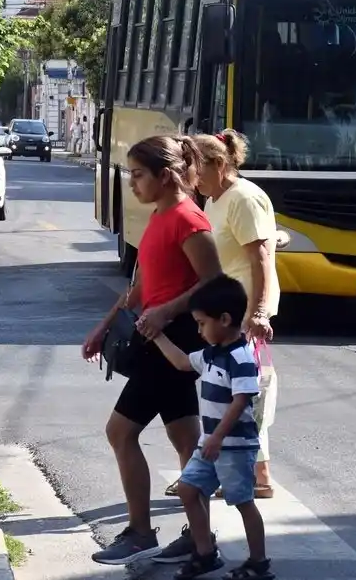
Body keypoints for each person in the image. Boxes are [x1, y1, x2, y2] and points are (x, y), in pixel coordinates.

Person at [82, 135, 222, 566]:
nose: (131, 183)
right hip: (155, 334)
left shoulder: (188, 219)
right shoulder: (160, 215)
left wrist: (166, 312)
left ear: (165, 176)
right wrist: (105, 326)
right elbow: (142, 286)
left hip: (174, 341)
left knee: (120, 432)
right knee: (186, 438)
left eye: (138, 174)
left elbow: (214, 284)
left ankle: (141, 533)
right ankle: (201, 539)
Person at [153, 274, 274, 580]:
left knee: (243, 502)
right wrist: (157, 336)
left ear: (224, 319)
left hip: (233, 447)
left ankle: (258, 562)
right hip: (209, 444)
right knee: (187, 489)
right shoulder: (211, 354)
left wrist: (218, 437)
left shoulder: (240, 358)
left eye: (201, 323)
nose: (199, 330)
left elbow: (241, 400)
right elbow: (182, 362)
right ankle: (205, 553)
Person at [192, 130, 279, 502]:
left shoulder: (243, 198)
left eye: (196, 168)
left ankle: (250, 475)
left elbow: (261, 259)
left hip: (244, 315)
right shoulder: (215, 199)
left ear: (219, 164)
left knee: (244, 395)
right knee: (233, 393)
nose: (192, 177)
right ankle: (257, 475)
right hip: (227, 311)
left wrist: (258, 313)